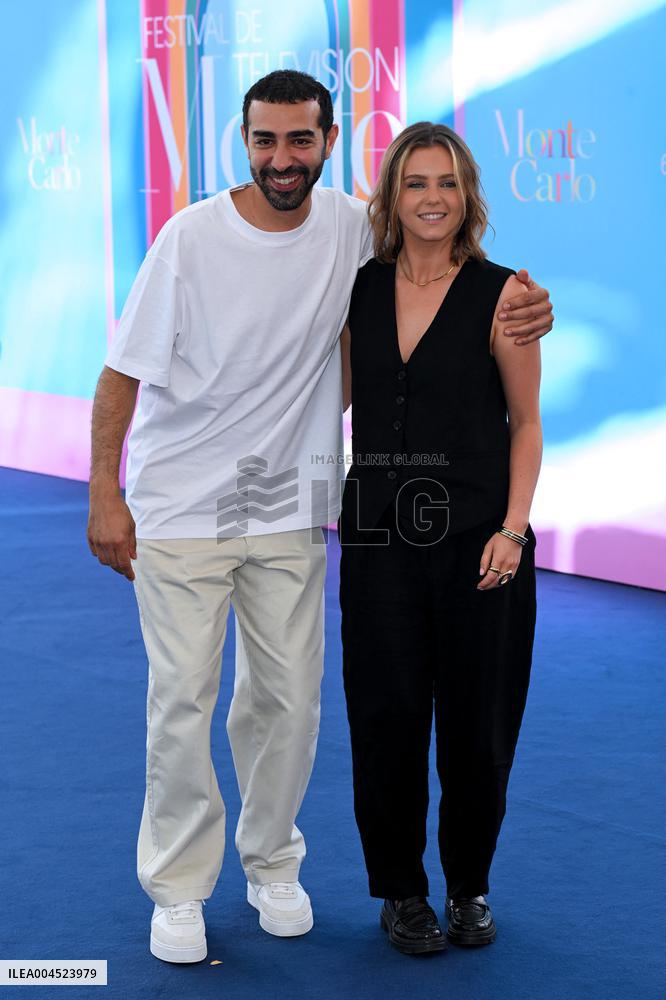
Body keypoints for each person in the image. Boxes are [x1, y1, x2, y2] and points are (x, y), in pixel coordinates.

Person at [86, 72, 553, 963]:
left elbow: (492, 349)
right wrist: (106, 494)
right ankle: (182, 890)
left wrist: (531, 307)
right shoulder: (194, 240)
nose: (282, 158)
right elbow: (122, 373)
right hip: (186, 510)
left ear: (329, 143)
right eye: (265, 141)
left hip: (293, 513)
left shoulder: (354, 231)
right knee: (183, 701)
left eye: (300, 140)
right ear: (244, 140)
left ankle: (273, 865)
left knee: (289, 706)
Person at [339, 122, 543, 956]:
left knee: (478, 723)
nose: (432, 199)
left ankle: (468, 888)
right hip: (378, 538)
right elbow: (334, 400)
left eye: (447, 183)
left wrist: (514, 529)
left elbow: (526, 423)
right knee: (384, 720)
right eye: (416, 183)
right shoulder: (358, 287)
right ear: (391, 196)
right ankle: (401, 893)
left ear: (468, 197)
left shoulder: (505, 294)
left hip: (478, 544)